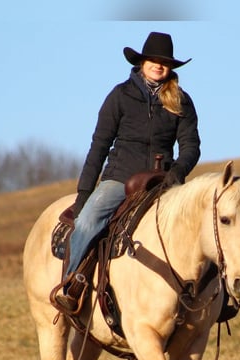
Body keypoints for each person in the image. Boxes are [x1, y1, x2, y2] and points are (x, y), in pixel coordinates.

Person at [53, 31, 201, 313]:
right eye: (154, 60)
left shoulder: (181, 100)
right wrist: (85, 192)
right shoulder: (120, 96)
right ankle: (72, 283)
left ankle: (212, 297)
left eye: (165, 62)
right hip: (120, 178)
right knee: (86, 223)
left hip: (164, 182)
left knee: (204, 223)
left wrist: (179, 170)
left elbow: (191, 145)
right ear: (142, 62)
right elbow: (99, 145)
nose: (159, 66)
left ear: (171, 67)